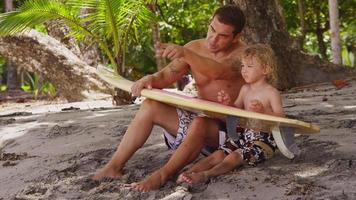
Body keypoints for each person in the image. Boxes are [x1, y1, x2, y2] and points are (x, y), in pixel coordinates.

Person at [92, 5, 247, 192]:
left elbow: (217, 71)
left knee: (199, 122)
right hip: (202, 132)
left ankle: (162, 175)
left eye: (222, 36)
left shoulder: (242, 55)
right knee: (151, 105)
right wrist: (150, 79)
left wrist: (186, 54)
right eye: (212, 29)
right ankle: (113, 167)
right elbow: (165, 77)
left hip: (232, 133)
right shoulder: (193, 47)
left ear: (236, 37)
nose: (213, 39)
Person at [177, 44, 285, 185]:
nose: (244, 70)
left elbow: (281, 118)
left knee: (234, 156)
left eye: (249, 66)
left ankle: (206, 174)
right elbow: (236, 110)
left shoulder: (271, 93)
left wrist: (264, 111)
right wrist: (228, 103)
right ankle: (190, 172)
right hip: (243, 136)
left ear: (265, 69)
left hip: (263, 141)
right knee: (218, 154)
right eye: (243, 66)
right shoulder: (245, 90)